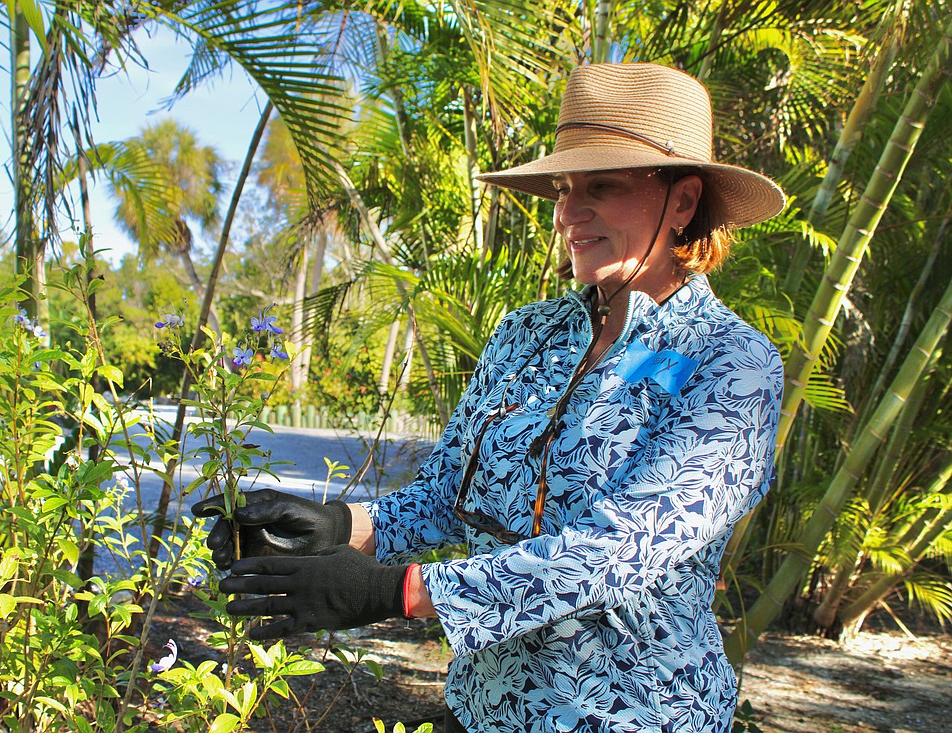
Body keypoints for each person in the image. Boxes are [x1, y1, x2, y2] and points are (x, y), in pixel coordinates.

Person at [193, 62, 785, 733]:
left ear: (683, 202)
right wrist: (339, 525)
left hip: (635, 716)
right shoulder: (528, 335)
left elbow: (619, 550)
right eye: (564, 190)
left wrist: (400, 591)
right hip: (485, 707)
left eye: (604, 186)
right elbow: (450, 490)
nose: (569, 213)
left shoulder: (731, 363)